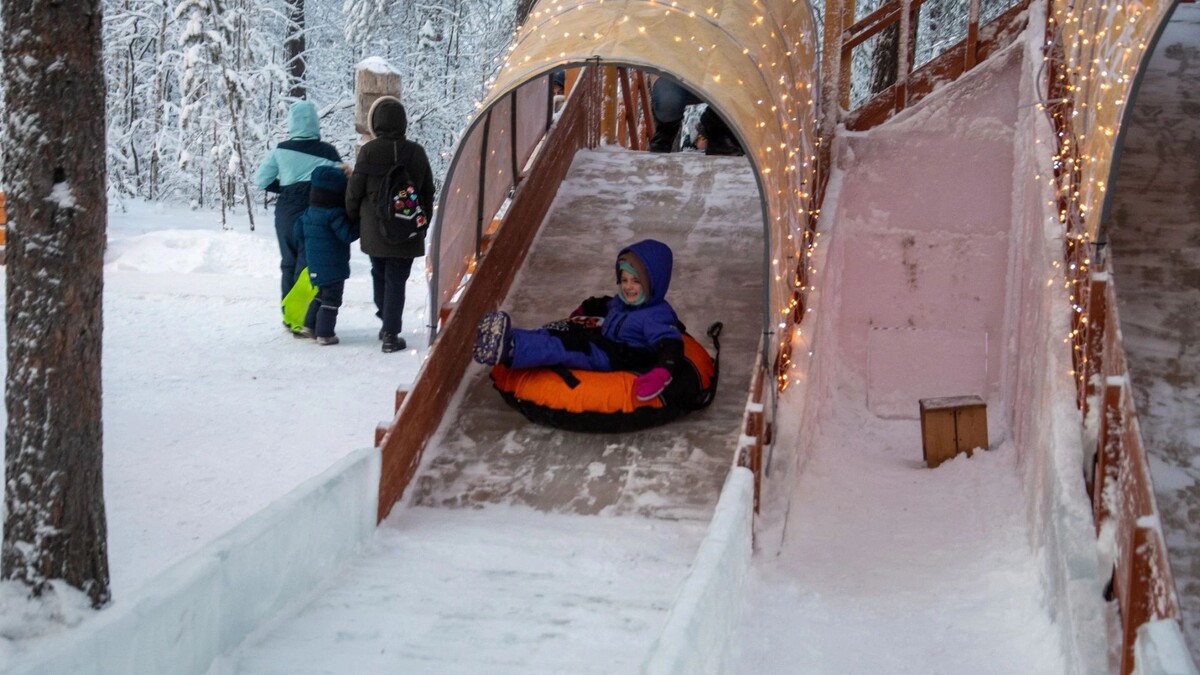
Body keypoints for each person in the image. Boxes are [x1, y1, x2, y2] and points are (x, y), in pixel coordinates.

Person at [472, 239, 683, 402]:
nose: (628, 287)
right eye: (624, 280)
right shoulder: (624, 303)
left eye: (636, 281)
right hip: (602, 340)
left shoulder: (655, 316)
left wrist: (660, 373)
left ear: (652, 284)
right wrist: (585, 308)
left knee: (562, 347)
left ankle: (510, 350)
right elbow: (605, 303)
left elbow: (671, 345)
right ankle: (505, 338)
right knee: (557, 332)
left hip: (615, 356)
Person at [346, 96, 435, 354]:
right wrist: (422, 221)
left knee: (379, 272)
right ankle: (391, 333)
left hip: (375, 229)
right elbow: (428, 190)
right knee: (397, 279)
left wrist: (352, 215)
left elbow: (355, 189)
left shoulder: (369, 151)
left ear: (375, 122)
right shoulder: (416, 152)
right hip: (407, 228)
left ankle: (386, 321)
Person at [254, 100, 342, 325]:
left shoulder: (281, 150)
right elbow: (341, 181)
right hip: (315, 211)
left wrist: (284, 188)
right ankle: (303, 318)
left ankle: (289, 317)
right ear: (315, 123)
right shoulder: (329, 152)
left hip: (286, 211)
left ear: (291, 123)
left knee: (288, 263)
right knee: (309, 266)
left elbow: (261, 180)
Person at [294, 165, 357, 345]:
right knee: (332, 299)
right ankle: (325, 333)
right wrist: (358, 226)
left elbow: (297, 232)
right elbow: (347, 235)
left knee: (321, 294)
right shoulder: (334, 214)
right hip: (334, 265)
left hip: (314, 264)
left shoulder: (309, 212)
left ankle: (309, 325)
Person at [649, 77, 743, 157]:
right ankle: (664, 135)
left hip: (722, 72)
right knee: (669, 101)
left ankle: (717, 127)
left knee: (743, 81)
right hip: (675, 70)